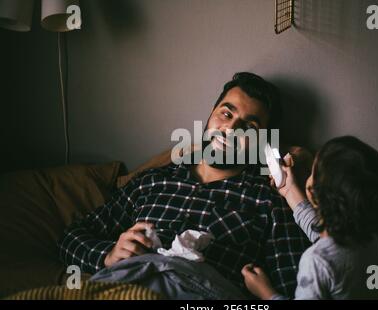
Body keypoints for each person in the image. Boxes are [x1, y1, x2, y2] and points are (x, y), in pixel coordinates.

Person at [58, 72, 311, 298]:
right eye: (226, 113)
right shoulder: (152, 181)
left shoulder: (269, 202)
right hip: (124, 288)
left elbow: (299, 287)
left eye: (249, 127)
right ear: (211, 114)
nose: (230, 129)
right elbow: (71, 237)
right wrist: (107, 255)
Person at [242, 136, 378, 299]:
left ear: (313, 193)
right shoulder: (370, 240)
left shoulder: (317, 262)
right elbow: (319, 231)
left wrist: (266, 293)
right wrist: (289, 189)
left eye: (312, 171)